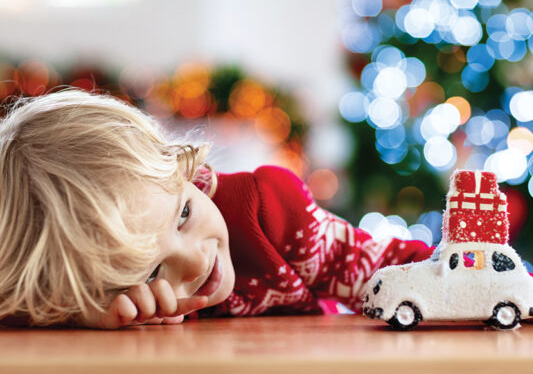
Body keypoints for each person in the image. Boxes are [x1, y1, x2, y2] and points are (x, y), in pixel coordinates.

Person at [0, 88, 433, 329]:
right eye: (151, 271)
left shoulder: (271, 211)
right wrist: (90, 318)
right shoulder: (101, 300)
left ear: (180, 170)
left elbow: (391, 272)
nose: (196, 259)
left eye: (184, 214)